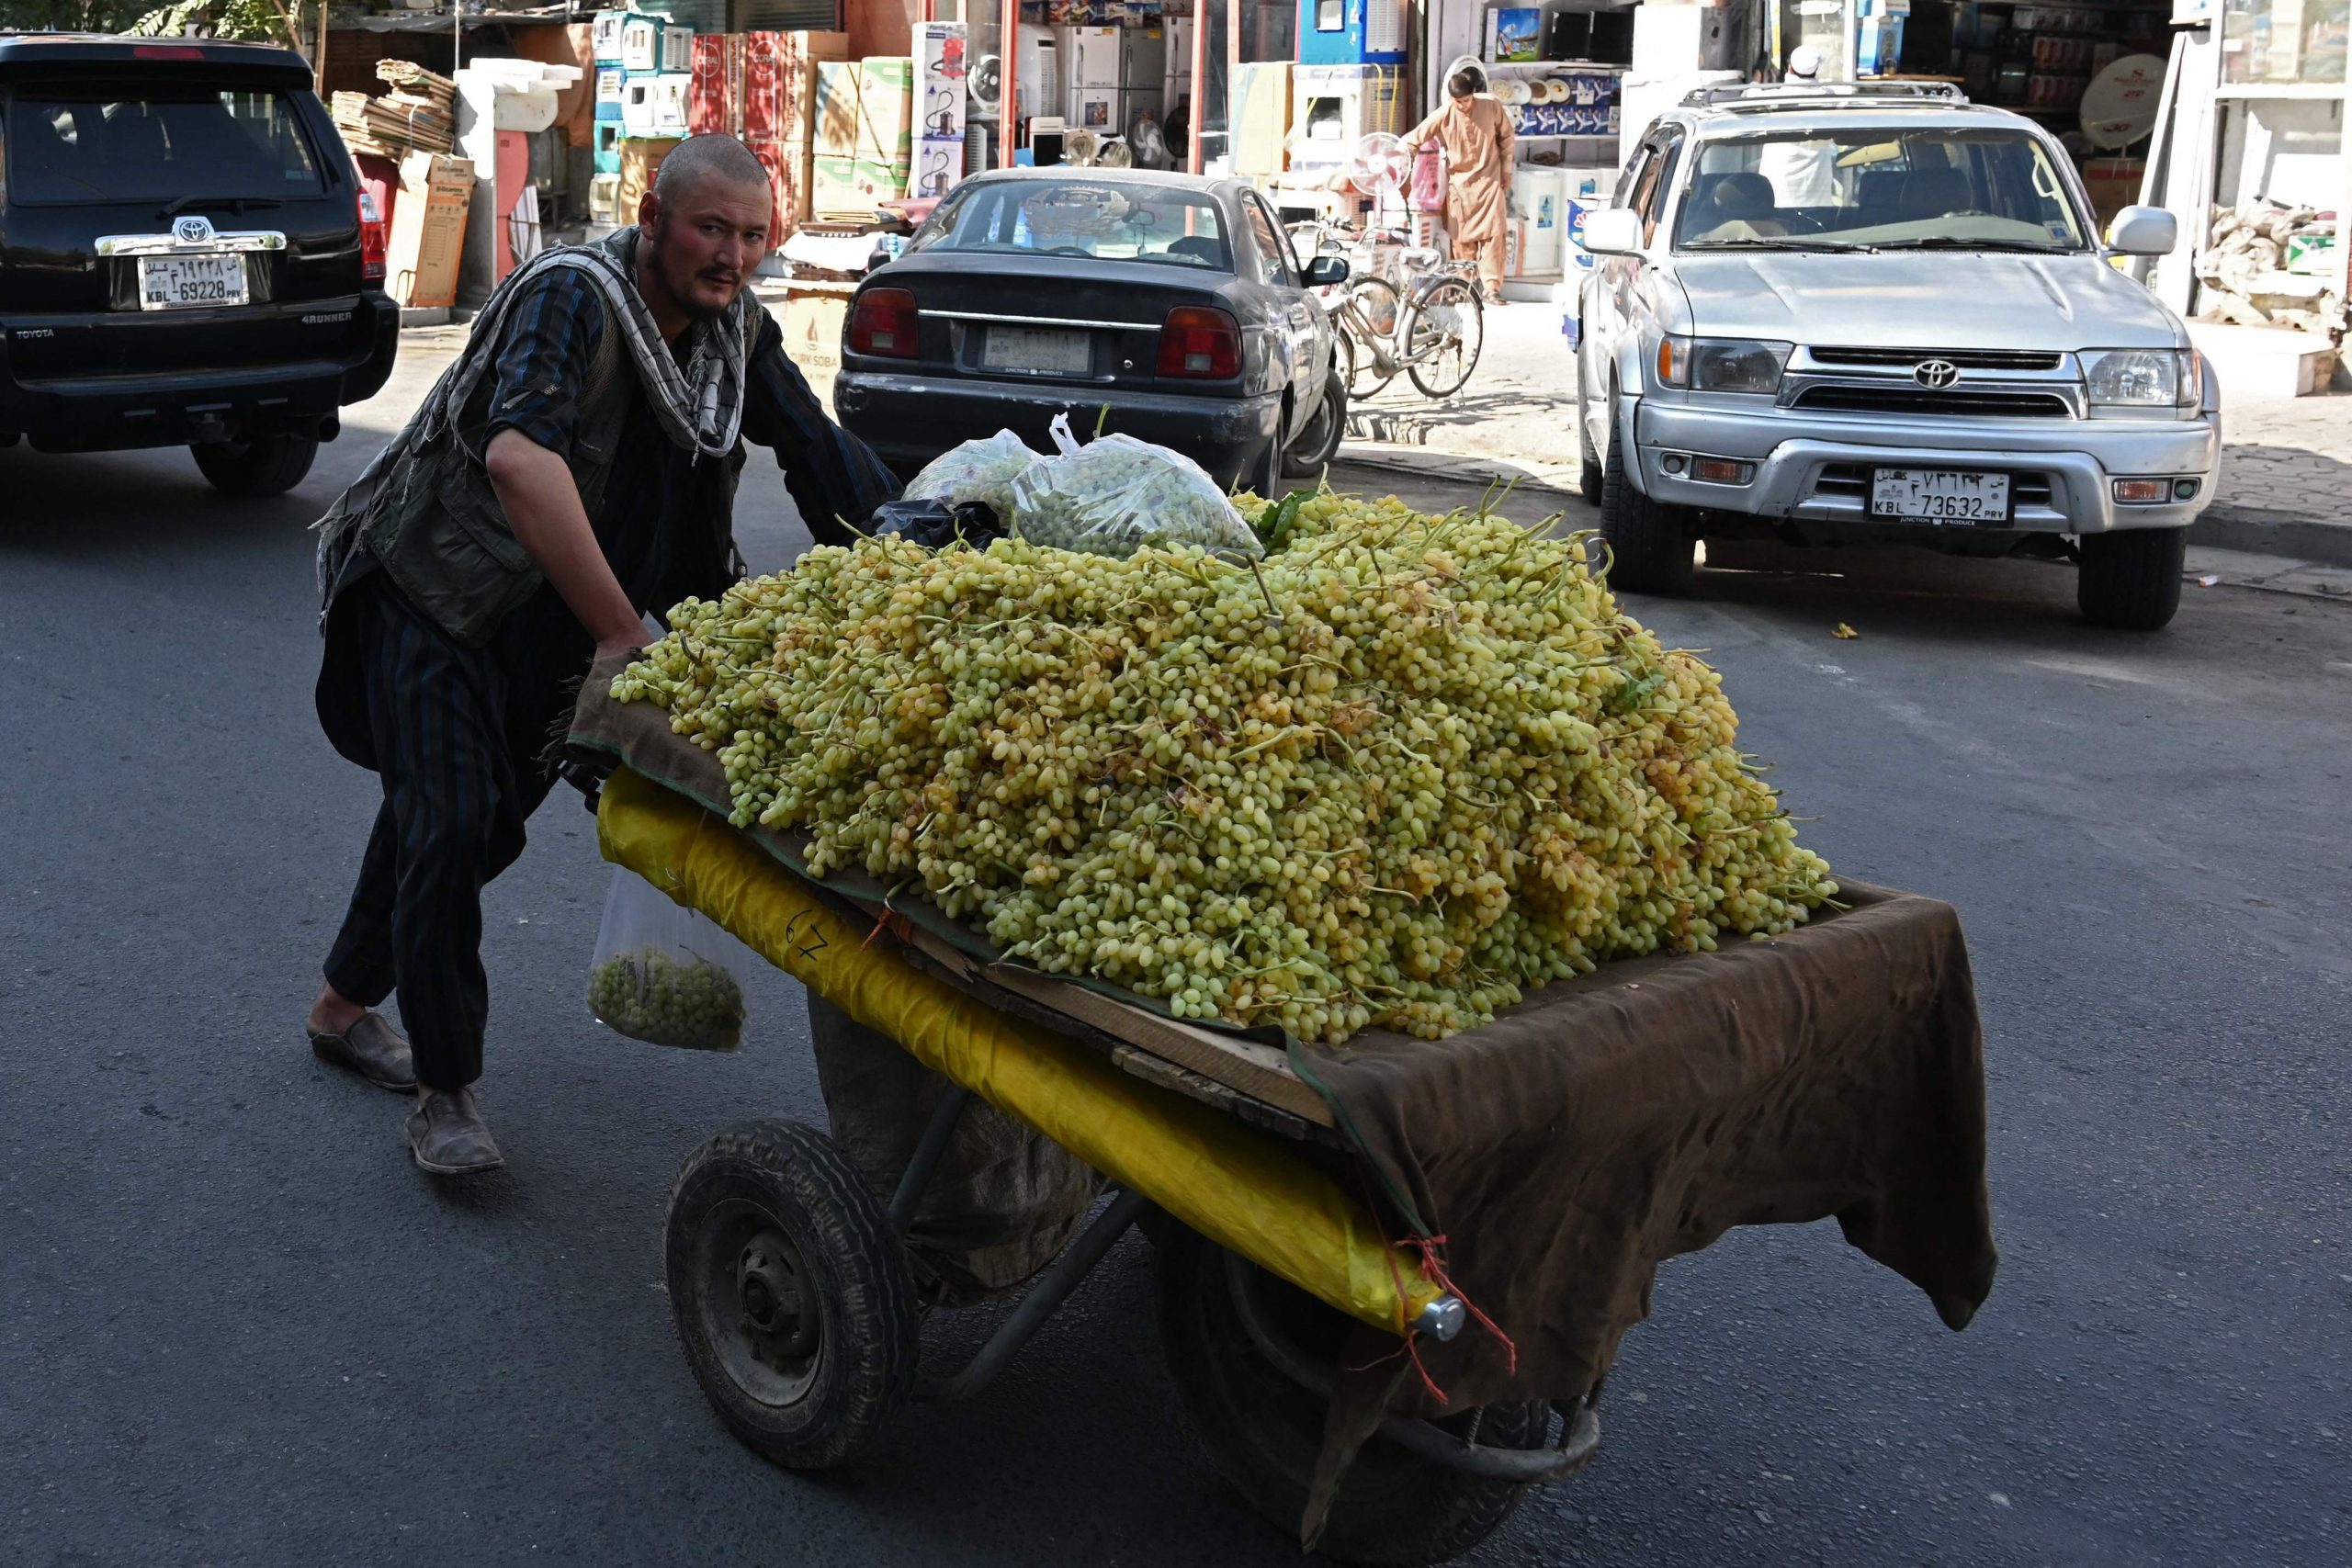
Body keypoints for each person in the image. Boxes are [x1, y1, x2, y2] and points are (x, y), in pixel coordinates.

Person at [305, 135, 897, 1176]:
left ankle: (341, 1005)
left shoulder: (733, 336)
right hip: (439, 593)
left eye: (754, 235)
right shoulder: (572, 295)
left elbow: (816, 452)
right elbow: (517, 455)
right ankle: (447, 1093)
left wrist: (908, 552)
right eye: (713, 228)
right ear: (653, 214)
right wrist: (627, 635)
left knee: (469, 832)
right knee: (445, 820)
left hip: (554, 626)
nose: (734, 255)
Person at [1403, 64, 1516, 303]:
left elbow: (1507, 136)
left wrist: (1507, 170)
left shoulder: (1491, 105)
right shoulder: (1444, 113)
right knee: (1461, 238)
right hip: (1461, 185)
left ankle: (1492, 288)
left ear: (1473, 93)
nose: (1461, 106)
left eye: (1465, 101)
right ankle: (1464, 286)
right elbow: (1413, 140)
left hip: (1490, 182)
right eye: (1457, 102)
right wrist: (1404, 169)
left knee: (1495, 235)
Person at [1759, 45, 1838, 209]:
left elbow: (1748, 95)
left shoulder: (1775, 98)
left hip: (1779, 190)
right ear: (1815, 71)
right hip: (1816, 190)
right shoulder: (1828, 98)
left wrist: (1757, 75)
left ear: (1789, 69)